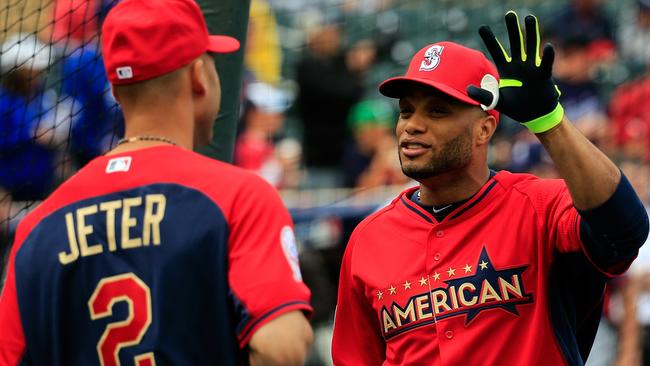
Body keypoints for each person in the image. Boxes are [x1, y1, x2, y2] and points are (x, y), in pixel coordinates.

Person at [0, 1, 313, 365]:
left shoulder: (40, 224)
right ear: (200, 75)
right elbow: (282, 348)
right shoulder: (239, 195)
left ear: (117, 92)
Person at [331, 11, 648, 365]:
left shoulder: (539, 206)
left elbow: (625, 230)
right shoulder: (368, 239)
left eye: (437, 112)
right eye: (406, 111)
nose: (412, 126)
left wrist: (550, 123)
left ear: (484, 129)